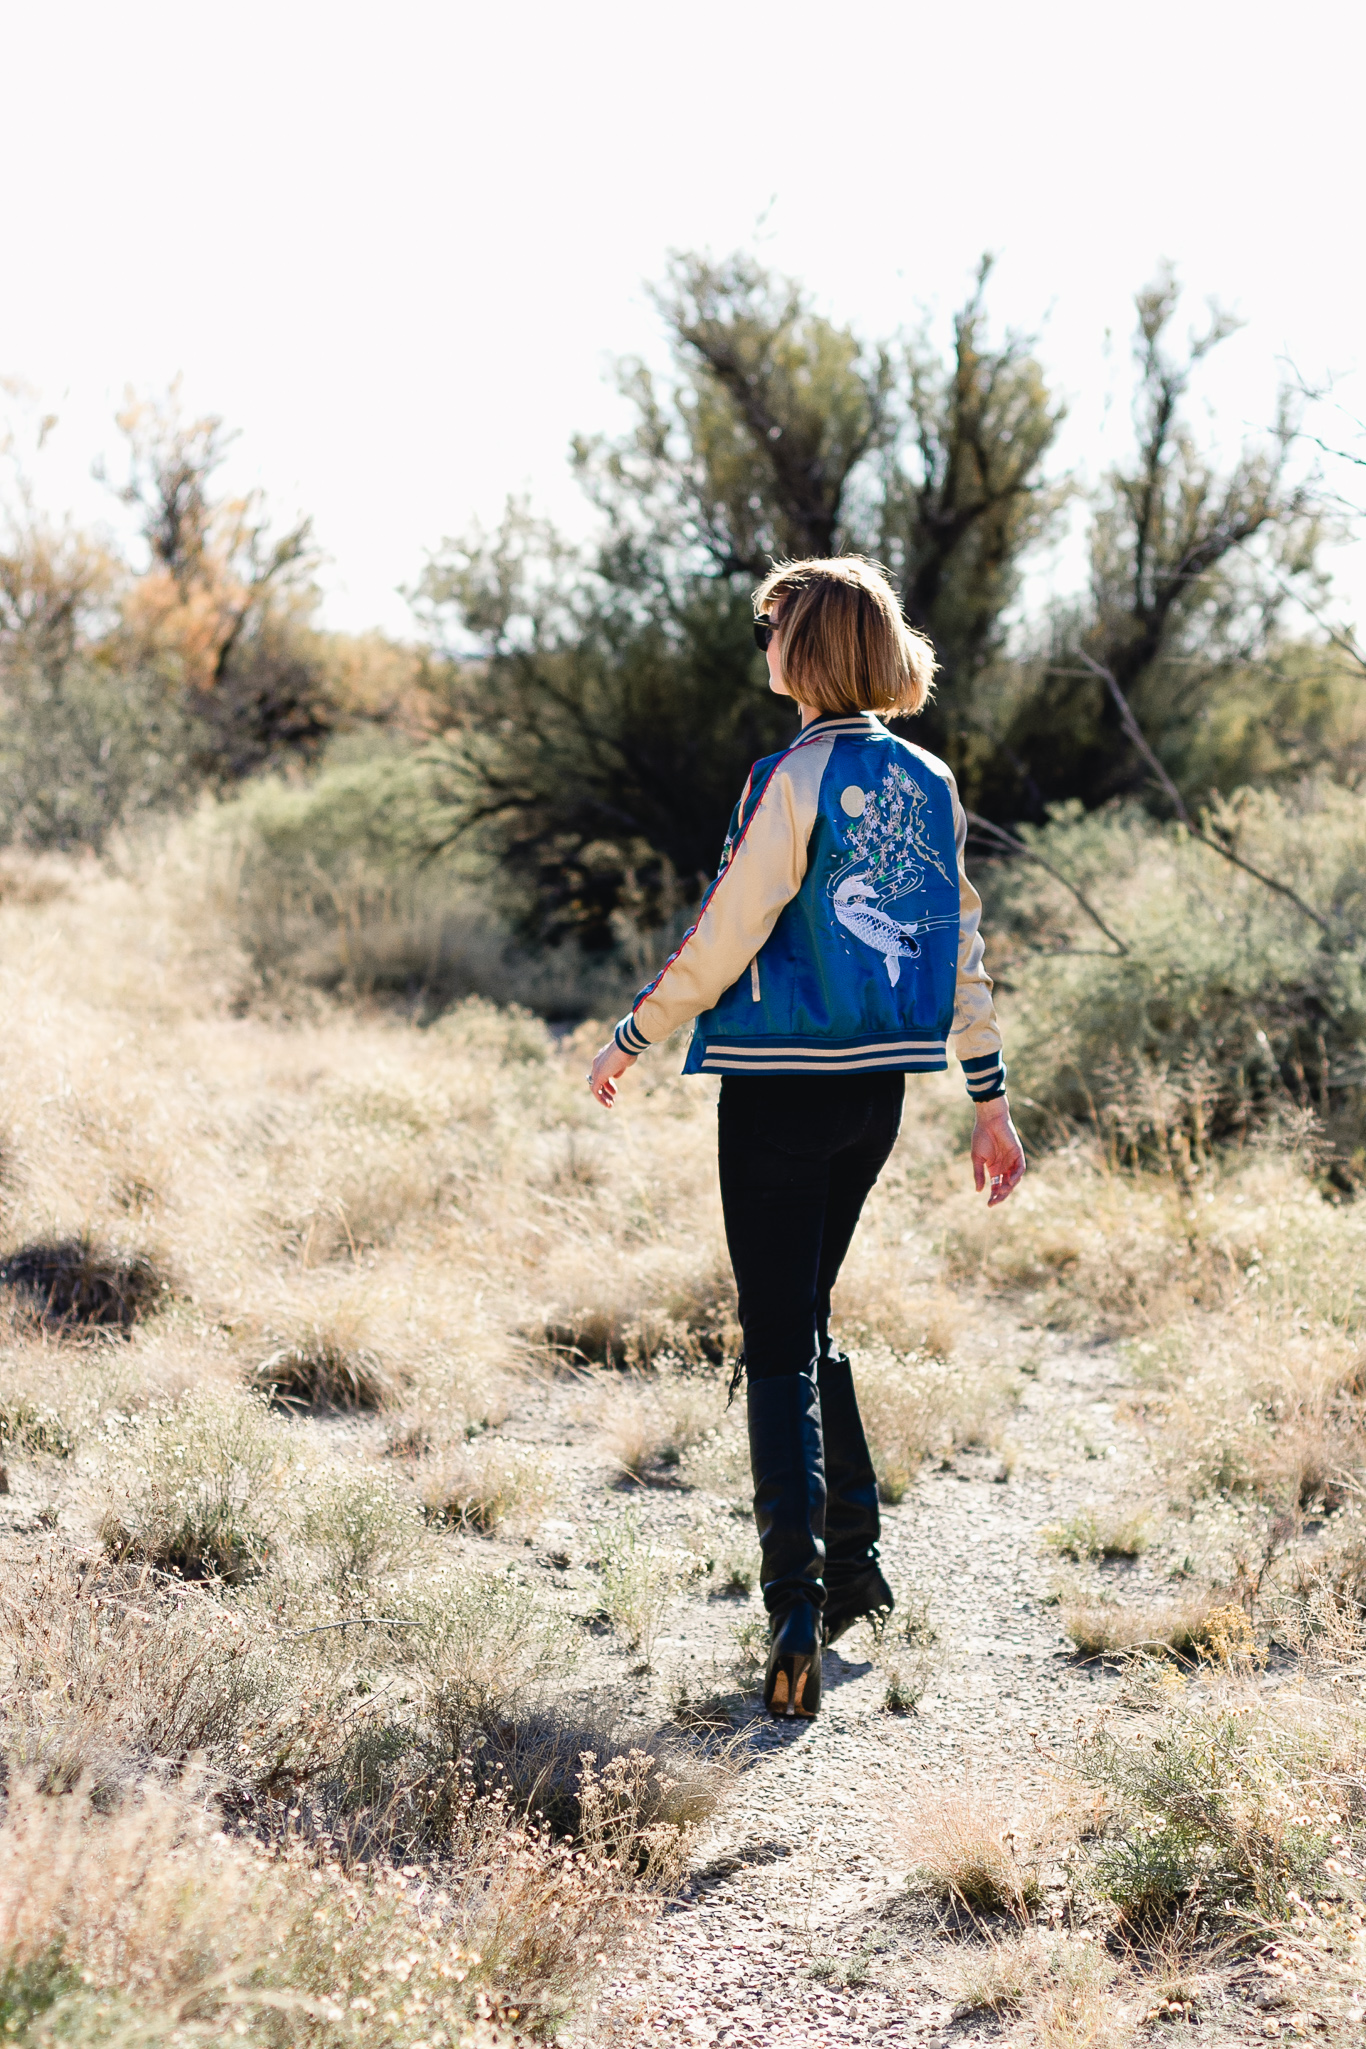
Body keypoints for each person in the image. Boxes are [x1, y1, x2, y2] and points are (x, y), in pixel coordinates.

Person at [588, 557, 1025, 1720]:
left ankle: (793, 1601)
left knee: (777, 1333)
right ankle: (855, 1563)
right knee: (810, 1311)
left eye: (775, 628)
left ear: (810, 648)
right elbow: (959, 948)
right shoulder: (927, 780)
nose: (764, 645)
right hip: (875, 1094)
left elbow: (729, 927)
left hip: (776, 1093)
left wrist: (634, 1031)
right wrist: (987, 1098)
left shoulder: (791, 778)